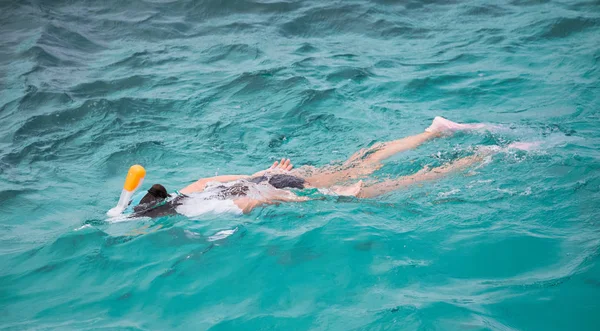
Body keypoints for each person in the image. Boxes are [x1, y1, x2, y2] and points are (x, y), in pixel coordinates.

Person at [131, 117, 515, 217]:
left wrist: (312, 200)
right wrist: (261, 171)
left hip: (284, 188)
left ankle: (481, 157)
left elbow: (255, 203)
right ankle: (434, 132)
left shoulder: (199, 212)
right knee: (361, 161)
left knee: (389, 187)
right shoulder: (189, 191)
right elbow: (215, 178)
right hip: (269, 176)